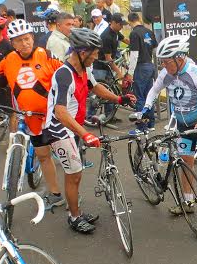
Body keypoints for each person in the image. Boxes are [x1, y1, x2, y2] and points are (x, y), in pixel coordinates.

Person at [46, 28, 136, 233]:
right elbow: (60, 112)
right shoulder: (64, 75)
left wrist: (119, 99)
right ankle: (74, 217)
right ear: (82, 51)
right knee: (74, 174)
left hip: (73, 127)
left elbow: (95, 88)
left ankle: (75, 210)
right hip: (60, 129)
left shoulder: (83, 70)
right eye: (94, 53)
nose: (96, 57)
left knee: (75, 173)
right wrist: (85, 133)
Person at [137, 34, 197, 215]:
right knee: (186, 162)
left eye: (167, 62)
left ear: (180, 58)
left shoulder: (196, 73)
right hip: (182, 124)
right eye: (163, 62)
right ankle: (187, 202)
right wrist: (146, 108)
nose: (164, 66)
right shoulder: (167, 73)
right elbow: (153, 90)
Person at [0, 19, 68, 211]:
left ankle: (73, 195)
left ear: (32, 38)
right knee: (43, 156)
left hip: (53, 117)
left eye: (26, 39)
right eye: (18, 41)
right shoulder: (8, 61)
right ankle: (55, 193)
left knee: (66, 155)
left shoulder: (46, 56)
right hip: (31, 118)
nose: (24, 44)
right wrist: (1, 103)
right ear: (12, 42)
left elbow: (66, 77)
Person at [89, 13, 127, 124]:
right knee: (97, 93)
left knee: (110, 91)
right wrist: (119, 72)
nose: (122, 27)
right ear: (113, 23)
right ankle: (90, 116)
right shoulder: (106, 36)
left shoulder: (116, 33)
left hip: (107, 66)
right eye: (120, 24)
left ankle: (109, 116)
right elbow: (108, 59)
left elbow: (125, 40)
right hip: (100, 66)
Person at [126, 12, 158, 132]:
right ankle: (151, 123)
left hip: (140, 66)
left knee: (139, 97)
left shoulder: (134, 33)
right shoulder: (149, 31)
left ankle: (141, 126)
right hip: (150, 64)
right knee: (149, 95)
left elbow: (134, 54)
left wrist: (130, 72)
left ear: (130, 22)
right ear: (139, 19)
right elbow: (155, 49)